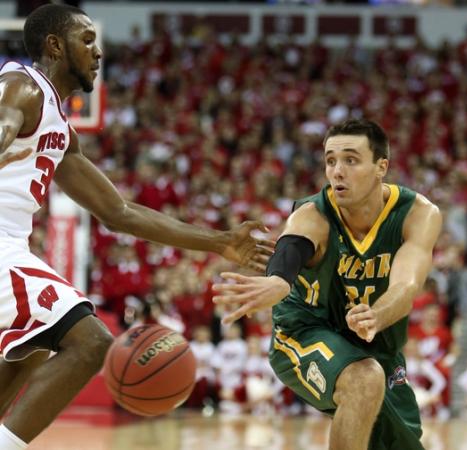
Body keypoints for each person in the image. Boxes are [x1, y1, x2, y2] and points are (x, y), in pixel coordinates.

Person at [0, 5, 272, 449]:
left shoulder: (60, 128)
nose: (98, 51)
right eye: (85, 40)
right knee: (89, 343)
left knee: (33, 346)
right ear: (54, 45)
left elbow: (119, 212)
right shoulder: (21, 86)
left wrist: (219, 242)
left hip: (10, 245)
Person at [214, 118, 442, 450]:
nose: (337, 171)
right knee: (363, 379)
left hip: (377, 344)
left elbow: (406, 286)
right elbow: (292, 247)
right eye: (330, 161)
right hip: (305, 332)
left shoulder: (417, 214)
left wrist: (377, 316)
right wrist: (278, 280)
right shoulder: (313, 214)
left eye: (351, 160)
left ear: (382, 167)